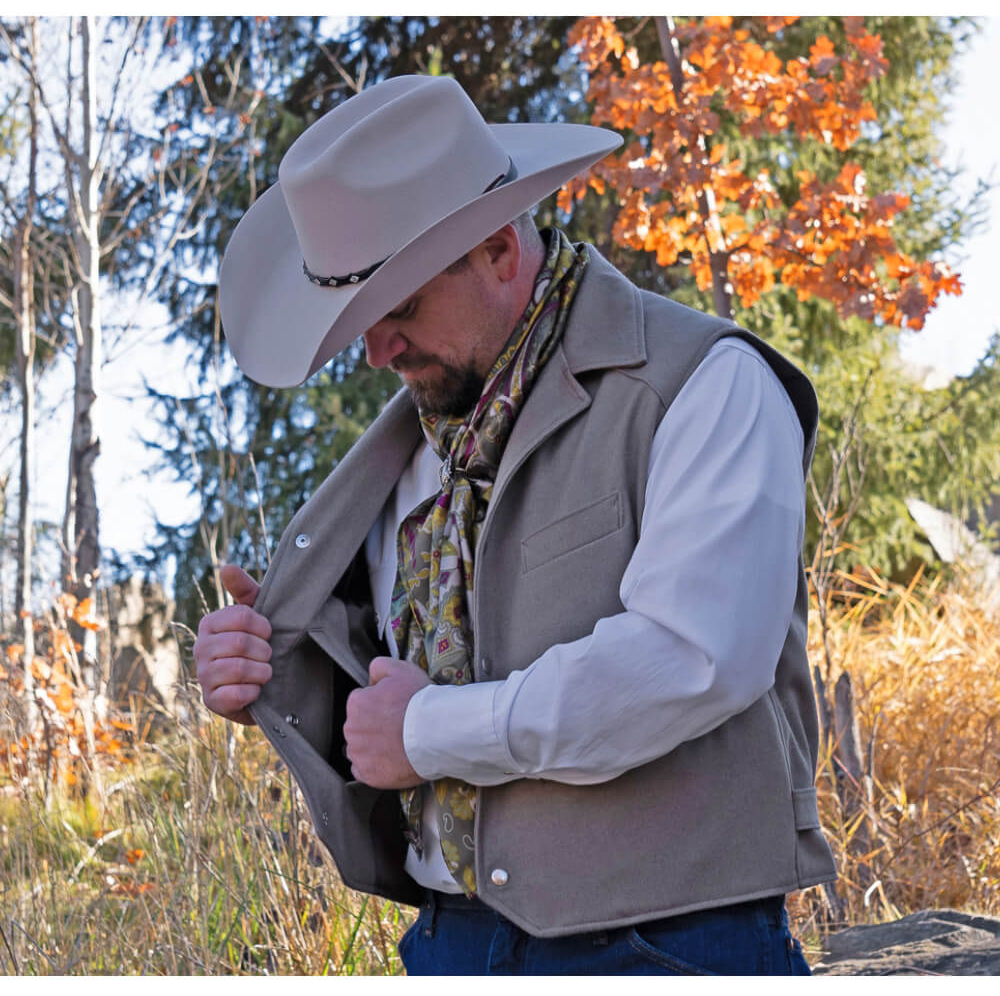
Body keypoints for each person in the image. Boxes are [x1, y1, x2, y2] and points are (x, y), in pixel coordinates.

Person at [193, 74, 837, 975]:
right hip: (450, 942)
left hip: (670, 946)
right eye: (359, 322)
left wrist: (428, 734)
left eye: (400, 309)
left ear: (499, 247)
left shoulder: (702, 385)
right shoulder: (406, 455)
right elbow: (378, 695)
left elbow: (692, 660)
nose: (376, 352)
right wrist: (261, 664)